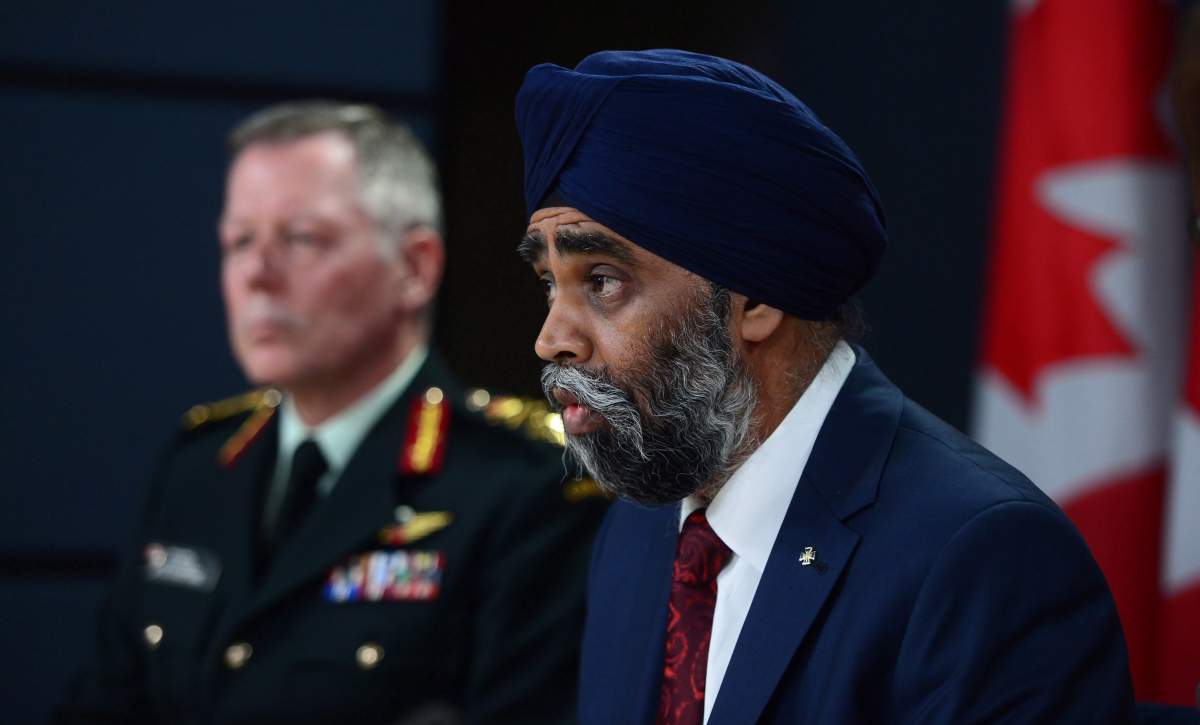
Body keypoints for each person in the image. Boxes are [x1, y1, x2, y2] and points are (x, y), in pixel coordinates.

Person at [515, 49, 1136, 724]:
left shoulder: (983, 559)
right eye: (550, 283)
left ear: (753, 299)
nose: (552, 340)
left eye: (602, 281)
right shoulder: (637, 530)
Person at [59, 101, 607, 725]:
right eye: (239, 241)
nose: (256, 274)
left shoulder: (526, 486)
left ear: (414, 267)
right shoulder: (196, 468)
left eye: (301, 239)